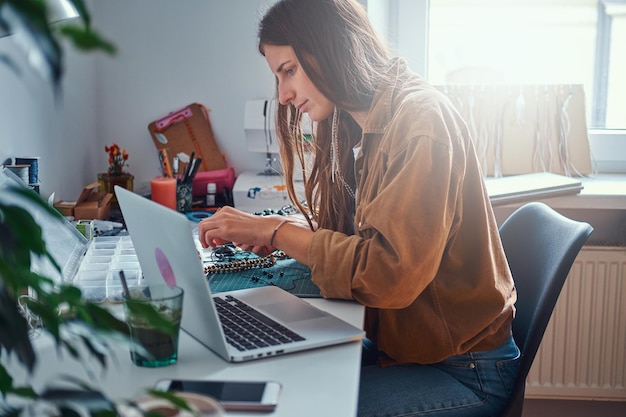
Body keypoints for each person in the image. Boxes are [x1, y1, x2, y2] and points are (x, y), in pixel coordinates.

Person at [198, 0, 520, 416]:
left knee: (300, 408)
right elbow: (363, 232)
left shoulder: (420, 123)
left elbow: (388, 273)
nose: (283, 95)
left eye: (289, 70)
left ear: (331, 46)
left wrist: (276, 231)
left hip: (465, 369)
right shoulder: (355, 123)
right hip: (407, 348)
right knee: (276, 380)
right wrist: (292, 233)